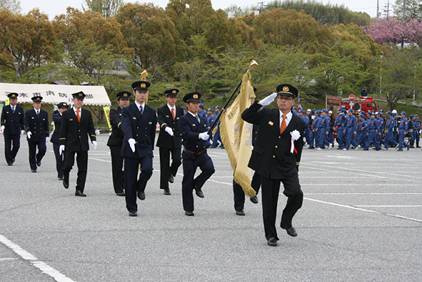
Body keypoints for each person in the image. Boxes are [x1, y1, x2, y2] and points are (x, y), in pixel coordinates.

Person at [242, 83, 306, 247]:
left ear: (293, 102)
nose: (283, 101)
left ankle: (286, 220)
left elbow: (298, 146)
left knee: (296, 194)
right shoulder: (266, 114)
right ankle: (271, 235)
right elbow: (246, 116)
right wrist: (261, 103)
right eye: (280, 98)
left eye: (287, 98)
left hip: (287, 165)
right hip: (268, 163)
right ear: (276, 100)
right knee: (269, 202)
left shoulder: (299, 122)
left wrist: (296, 167)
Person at [121, 81, 157, 216]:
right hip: (131, 147)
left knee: (148, 170)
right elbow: (126, 125)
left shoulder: (151, 112)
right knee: (130, 179)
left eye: (144, 92)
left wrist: (151, 148)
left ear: (147, 94)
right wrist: (129, 138)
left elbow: (152, 131)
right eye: (139, 92)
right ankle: (132, 207)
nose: (142, 95)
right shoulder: (127, 111)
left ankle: (140, 187)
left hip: (145, 147)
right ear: (134, 93)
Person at [180, 92, 215, 216]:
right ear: (188, 105)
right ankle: (189, 208)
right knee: (187, 180)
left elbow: (207, 131)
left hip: (202, 153)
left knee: (210, 169)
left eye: (197, 103)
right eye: (193, 104)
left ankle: (197, 184)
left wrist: (208, 138)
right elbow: (186, 134)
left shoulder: (202, 117)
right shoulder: (184, 119)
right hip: (190, 154)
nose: (196, 106)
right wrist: (199, 136)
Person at [59, 91, 97, 197]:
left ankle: (79, 189)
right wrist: (62, 142)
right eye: (78, 100)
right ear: (73, 100)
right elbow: (63, 129)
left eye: (81, 100)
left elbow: (90, 127)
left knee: (83, 168)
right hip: (70, 143)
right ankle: (65, 174)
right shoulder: (67, 114)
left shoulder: (87, 113)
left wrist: (93, 139)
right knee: (68, 164)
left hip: (83, 144)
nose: (79, 102)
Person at [156, 88, 184, 195]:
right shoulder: (162, 109)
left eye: (174, 98)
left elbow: (182, 123)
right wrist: (165, 126)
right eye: (170, 97)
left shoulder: (180, 110)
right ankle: (165, 187)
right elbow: (161, 119)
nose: (172, 100)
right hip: (165, 139)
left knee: (177, 160)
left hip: (176, 139)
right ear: (167, 98)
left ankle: (171, 173)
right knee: (164, 163)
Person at [107, 91, 131, 197]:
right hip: (117, 142)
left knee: (129, 166)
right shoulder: (114, 112)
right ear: (118, 101)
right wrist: (123, 125)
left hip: (129, 142)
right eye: (123, 100)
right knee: (117, 166)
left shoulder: (133, 112)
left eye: (127, 100)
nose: (125, 102)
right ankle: (118, 188)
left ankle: (127, 184)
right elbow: (116, 121)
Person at [24, 95, 49, 173]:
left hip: (41, 135)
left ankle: (38, 159)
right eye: (36, 103)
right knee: (32, 151)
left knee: (43, 149)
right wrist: (27, 131)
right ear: (33, 104)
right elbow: (26, 123)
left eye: (39, 103)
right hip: (32, 135)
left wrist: (47, 133)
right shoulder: (28, 113)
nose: (38, 104)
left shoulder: (44, 113)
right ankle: (33, 167)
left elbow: (46, 124)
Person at [0, 92, 24, 166]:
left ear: (16, 100)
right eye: (12, 99)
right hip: (7, 130)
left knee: (17, 145)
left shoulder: (20, 109)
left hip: (16, 130)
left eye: (14, 99)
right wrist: (2, 125)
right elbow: (2, 118)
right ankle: (9, 161)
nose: (13, 101)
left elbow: (22, 120)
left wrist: (23, 128)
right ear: (9, 100)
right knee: (7, 146)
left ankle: (12, 156)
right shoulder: (5, 108)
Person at [50, 102, 69, 180]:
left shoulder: (68, 115)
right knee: (58, 158)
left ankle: (64, 172)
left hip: (66, 140)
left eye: (65, 108)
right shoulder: (55, 114)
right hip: (56, 140)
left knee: (67, 158)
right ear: (59, 109)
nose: (64, 110)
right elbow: (59, 120)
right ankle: (60, 174)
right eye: (62, 108)